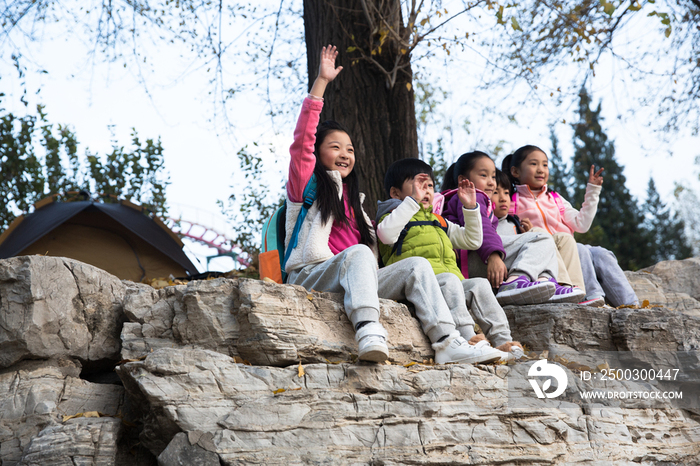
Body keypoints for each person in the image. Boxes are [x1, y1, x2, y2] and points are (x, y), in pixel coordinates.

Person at [285, 45, 497, 364]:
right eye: (335, 147)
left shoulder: (357, 206)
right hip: (310, 273)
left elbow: (377, 247)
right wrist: (321, 83)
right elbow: (302, 143)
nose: (345, 154)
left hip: (352, 276)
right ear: (318, 152)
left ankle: (447, 342)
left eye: (350, 149)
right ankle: (369, 327)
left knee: (416, 265)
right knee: (356, 254)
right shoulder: (307, 186)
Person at [376, 158, 522, 361]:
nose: (425, 191)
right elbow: (386, 235)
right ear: (395, 193)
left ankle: (502, 341)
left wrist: (470, 208)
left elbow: (472, 240)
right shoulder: (393, 217)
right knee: (450, 280)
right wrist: (411, 203)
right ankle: (468, 338)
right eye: (418, 185)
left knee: (478, 284)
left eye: (429, 186)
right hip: (421, 284)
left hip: (450, 283)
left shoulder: (438, 221)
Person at [502, 145, 639, 307]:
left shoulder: (555, 198)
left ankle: (631, 304)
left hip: (568, 248)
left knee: (601, 253)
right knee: (580, 249)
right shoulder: (511, 201)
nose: (541, 170)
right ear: (515, 172)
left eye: (545, 165)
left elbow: (581, 225)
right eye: (533, 164)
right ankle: (590, 295)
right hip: (548, 254)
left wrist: (593, 191)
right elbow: (509, 231)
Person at [441, 151, 582, 305]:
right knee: (541, 238)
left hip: (479, 254)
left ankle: (546, 283)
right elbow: (481, 228)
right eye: (483, 175)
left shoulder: (475, 199)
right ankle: (515, 281)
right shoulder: (470, 197)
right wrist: (493, 255)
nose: (491, 182)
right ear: (463, 179)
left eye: (493, 176)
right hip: (473, 257)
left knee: (541, 241)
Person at [491, 168, 586, 302]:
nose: (503, 198)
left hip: (520, 260)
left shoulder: (513, 221)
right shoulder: (487, 220)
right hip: (506, 268)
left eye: (506, 193)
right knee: (541, 234)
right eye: (495, 192)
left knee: (565, 238)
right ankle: (556, 284)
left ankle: (574, 291)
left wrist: (527, 232)